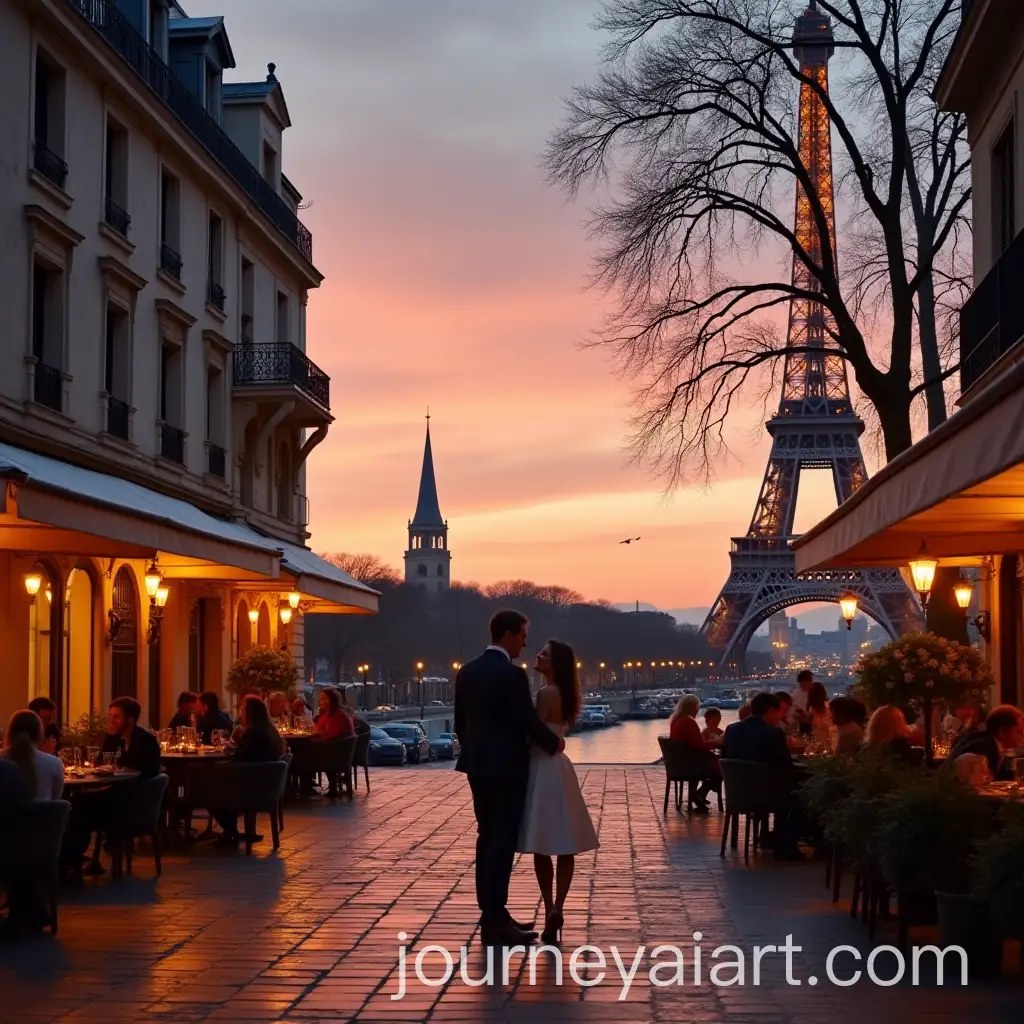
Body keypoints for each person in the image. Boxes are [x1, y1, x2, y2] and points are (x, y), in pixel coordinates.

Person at [455, 609, 564, 946]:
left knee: (485, 837)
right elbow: (525, 722)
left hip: (476, 766)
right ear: (507, 634)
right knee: (502, 842)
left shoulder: (467, 672)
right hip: (506, 769)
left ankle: (492, 914)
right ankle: (495, 919)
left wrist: (475, 752)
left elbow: (460, 723)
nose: (525, 643)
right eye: (522, 635)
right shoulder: (512, 676)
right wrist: (553, 743)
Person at [516, 640, 598, 944]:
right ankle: (559, 906)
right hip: (560, 768)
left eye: (544, 653)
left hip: (541, 768)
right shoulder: (566, 693)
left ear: (556, 663)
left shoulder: (545, 693)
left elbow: (533, 732)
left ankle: (549, 905)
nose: (538, 655)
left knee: (541, 844)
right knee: (565, 844)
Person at [721, 692, 801, 859]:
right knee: (799, 795)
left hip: (737, 792)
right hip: (764, 794)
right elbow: (785, 766)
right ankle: (785, 845)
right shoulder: (773, 733)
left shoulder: (732, 729)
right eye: (779, 712)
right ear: (772, 711)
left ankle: (769, 837)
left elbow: (725, 755)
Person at [213, 696, 286, 844]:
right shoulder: (269, 731)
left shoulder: (252, 733)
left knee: (209, 789)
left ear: (249, 713)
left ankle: (230, 831)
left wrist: (225, 760)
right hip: (267, 785)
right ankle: (234, 831)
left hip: (250, 787)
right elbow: (250, 753)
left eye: (242, 710)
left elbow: (240, 760)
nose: (240, 713)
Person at [668, 694, 720, 811]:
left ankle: (698, 795)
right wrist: (717, 742)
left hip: (678, 763)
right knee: (720, 768)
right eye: (697, 707)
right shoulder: (689, 721)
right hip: (690, 765)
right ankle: (699, 794)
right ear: (694, 707)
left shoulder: (675, 721)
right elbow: (699, 745)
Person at [1, 710, 64, 800]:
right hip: (42, 814)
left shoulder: (2, 759)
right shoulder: (54, 763)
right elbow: (55, 799)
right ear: (40, 734)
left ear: (10, 732)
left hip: (6, 814)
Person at [950, 705, 1024, 781]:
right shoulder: (982, 747)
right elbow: (972, 785)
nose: (1022, 736)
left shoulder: (998, 749)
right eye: (1018, 732)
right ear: (1002, 731)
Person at [100, 697, 161, 778]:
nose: (111, 721)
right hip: (112, 785)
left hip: (138, 788)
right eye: (110, 716)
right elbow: (100, 762)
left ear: (130, 718)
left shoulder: (146, 741)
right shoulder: (112, 738)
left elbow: (148, 773)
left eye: (116, 717)